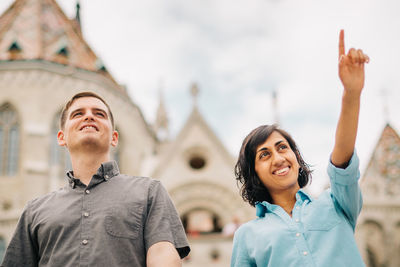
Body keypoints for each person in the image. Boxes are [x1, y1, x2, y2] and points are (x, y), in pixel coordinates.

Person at [1, 92, 190, 267]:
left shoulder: (149, 192)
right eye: (78, 114)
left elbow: (163, 256)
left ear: (114, 138)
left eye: (99, 114)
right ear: (61, 137)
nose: (89, 116)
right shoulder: (34, 211)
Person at [231, 30, 369, 266]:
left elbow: (342, 161)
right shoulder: (247, 236)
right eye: (264, 155)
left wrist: (351, 94)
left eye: (282, 147)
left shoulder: (336, 203)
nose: (278, 158)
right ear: (254, 174)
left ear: (296, 157)